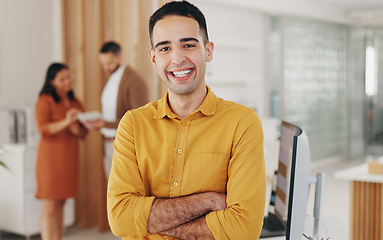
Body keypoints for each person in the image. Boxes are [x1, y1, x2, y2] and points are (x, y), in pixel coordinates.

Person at [107, 1, 266, 239]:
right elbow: (120, 219)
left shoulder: (242, 123)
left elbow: (244, 228)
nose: (177, 58)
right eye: (164, 49)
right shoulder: (132, 124)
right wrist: (207, 201)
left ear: (208, 50)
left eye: (188, 45)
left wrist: (153, 223)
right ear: (153, 58)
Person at [35, 63, 88, 240]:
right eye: (62, 79)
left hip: (69, 158)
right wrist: (66, 122)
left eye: (68, 76)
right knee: (50, 205)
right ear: (52, 82)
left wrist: (76, 129)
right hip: (50, 159)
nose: (67, 81)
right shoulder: (44, 101)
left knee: (61, 202)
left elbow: (82, 133)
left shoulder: (75, 101)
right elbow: (43, 128)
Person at [86, 41, 149, 178]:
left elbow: (139, 118)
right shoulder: (111, 78)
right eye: (103, 64)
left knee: (123, 190)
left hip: (124, 144)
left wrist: (106, 124)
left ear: (120, 57)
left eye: (109, 63)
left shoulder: (134, 80)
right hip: (108, 142)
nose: (106, 68)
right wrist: (101, 124)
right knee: (113, 190)